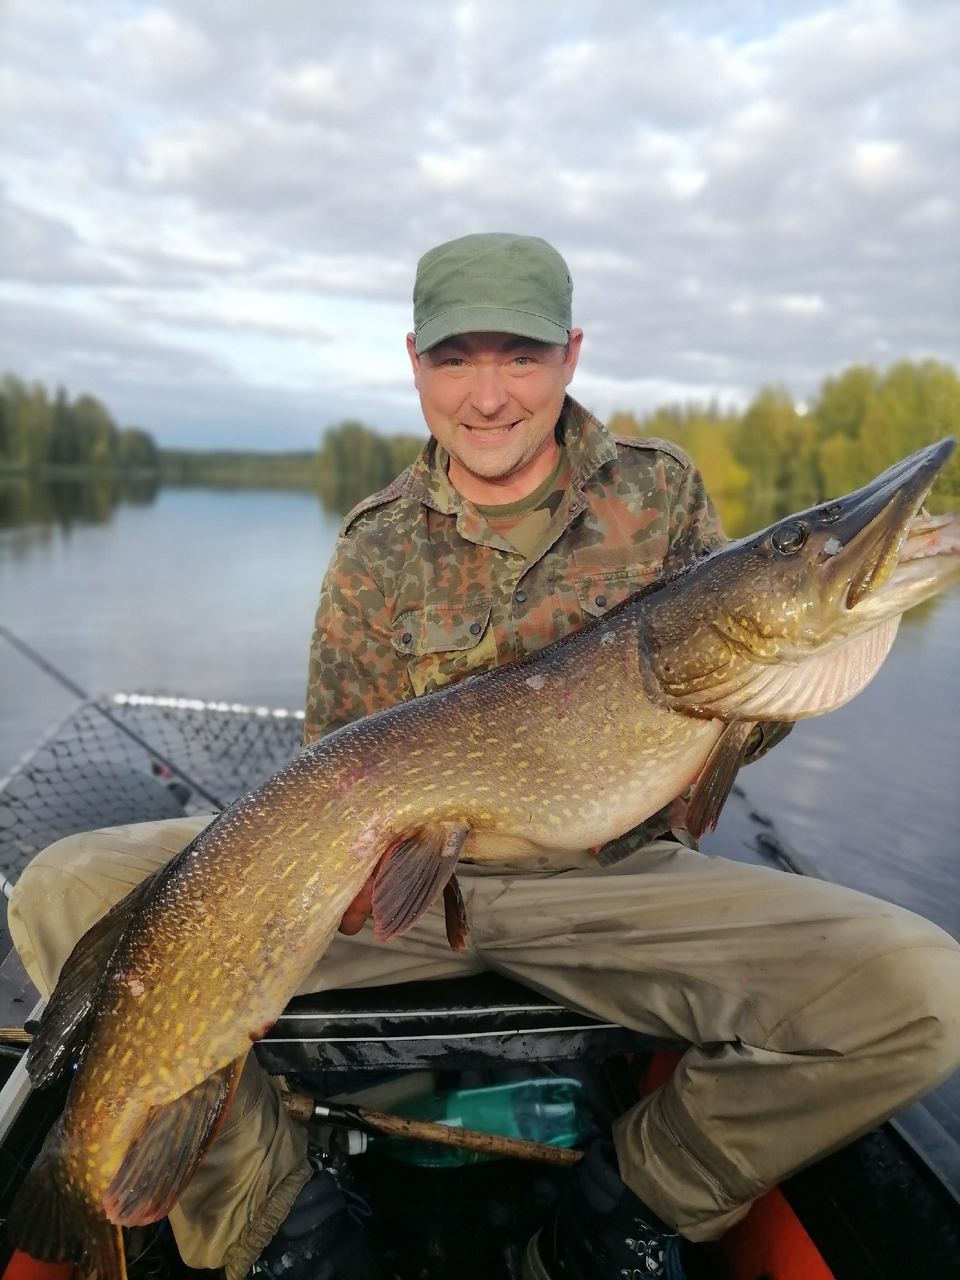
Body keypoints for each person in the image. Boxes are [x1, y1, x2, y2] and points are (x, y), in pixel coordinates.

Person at [8, 233, 960, 1280]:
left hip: (604, 887)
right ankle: (272, 1216)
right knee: (62, 887)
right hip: (388, 896)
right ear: (417, 364)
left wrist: (774, 672)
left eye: (522, 356)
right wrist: (330, 882)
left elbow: (717, 741)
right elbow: (335, 763)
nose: (490, 393)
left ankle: (632, 1201)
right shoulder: (376, 539)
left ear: (571, 356)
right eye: (459, 358)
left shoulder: (660, 492)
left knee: (924, 991)